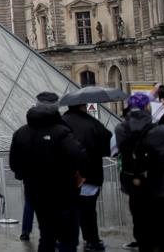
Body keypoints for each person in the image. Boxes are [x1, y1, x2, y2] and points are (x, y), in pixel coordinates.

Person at [10, 92, 86, 252]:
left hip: (36, 195)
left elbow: (14, 165)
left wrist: (30, 176)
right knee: (68, 238)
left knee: (46, 236)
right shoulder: (61, 132)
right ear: (55, 109)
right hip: (63, 193)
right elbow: (79, 156)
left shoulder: (20, 133)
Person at [116, 92, 164, 252]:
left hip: (137, 192)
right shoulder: (160, 132)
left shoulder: (121, 130)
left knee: (147, 240)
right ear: (148, 107)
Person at [63, 102, 112, 252]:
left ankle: (67, 241)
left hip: (67, 176)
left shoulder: (61, 123)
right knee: (89, 210)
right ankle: (92, 240)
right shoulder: (93, 123)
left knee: (67, 209)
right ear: (82, 106)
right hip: (91, 174)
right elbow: (108, 143)